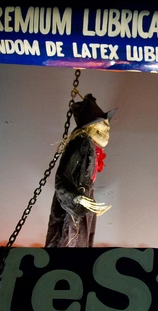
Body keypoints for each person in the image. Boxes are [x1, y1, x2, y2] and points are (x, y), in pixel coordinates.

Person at [45, 94, 115, 247]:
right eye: (102, 124)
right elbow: (61, 179)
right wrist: (77, 198)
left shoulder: (90, 147)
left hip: (83, 204)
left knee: (80, 245)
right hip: (74, 206)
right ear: (90, 126)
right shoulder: (81, 142)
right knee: (70, 242)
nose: (107, 128)